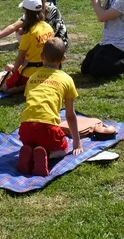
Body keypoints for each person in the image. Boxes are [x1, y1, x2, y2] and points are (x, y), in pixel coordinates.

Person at [16, 37, 82, 177]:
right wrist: (77, 143)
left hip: (25, 129)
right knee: (64, 149)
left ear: (41, 56)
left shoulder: (32, 77)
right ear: (63, 59)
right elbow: (70, 115)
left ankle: (30, 149)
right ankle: (46, 154)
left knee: (35, 139)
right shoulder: (66, 79)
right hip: (48, 129)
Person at [0, 0, 69, 51]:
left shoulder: (51, 9)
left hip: (57, 42)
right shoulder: (31, 12)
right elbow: (13, 26)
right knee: (19, 30)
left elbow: (51, 33)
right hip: (41, 40)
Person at [2, 0, 55, 95]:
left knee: (5, 88)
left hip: (30, 71)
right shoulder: (48, 27)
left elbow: (20, 56)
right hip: (46, 69)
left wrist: (14, 71)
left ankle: (28, 85)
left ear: (27, 13)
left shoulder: (29, 33)